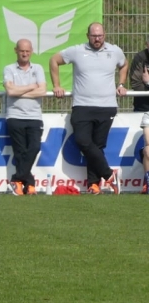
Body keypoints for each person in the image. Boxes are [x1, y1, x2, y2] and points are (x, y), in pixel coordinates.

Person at [50, 22, 128, 194]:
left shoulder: (114, 51)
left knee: (97, 146)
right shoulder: (77, 51)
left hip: (107, 106)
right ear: (88, 36)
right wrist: (56, 85)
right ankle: (109, 174)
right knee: (83, 142)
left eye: (100, 35)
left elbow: (124, 64)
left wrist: (121, 83)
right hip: (82, 105)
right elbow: (54, 60)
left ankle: (93, 184)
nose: (97, 39)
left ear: (104, 35)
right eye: (94, 36)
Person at [3, 39, 47, 196]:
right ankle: (28, 185)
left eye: (28, 51)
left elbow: (42, 91)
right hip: (15, 115)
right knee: (20, 151)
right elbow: (11, 92)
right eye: (22, 50)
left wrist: (19, 90)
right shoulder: (9, 69)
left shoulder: (38, 68)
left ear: (32, 51)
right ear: (16, 50)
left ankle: (16, 180)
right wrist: (31, 87)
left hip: (34, 116)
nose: (25, 53)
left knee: (34, 148)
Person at [126, 36, 149, 193]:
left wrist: (148, 83)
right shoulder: (140, 58)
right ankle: (147, 182)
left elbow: (144, 83)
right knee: (147, 148)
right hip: (144, 108)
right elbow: (136, 84)